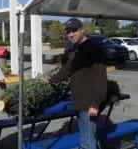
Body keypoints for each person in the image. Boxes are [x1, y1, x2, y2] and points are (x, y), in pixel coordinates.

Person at [40, 17, 107, 149]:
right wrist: (50, 80)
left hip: (89, 105)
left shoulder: (94, 50)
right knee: (86, 138)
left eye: (74, 30)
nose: (71, 34)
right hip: (79, 103)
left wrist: (95, 104)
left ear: (82, 30)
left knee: (87, 141)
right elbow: (68, 69)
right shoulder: (78, 49)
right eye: (68, 31)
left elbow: (101, 80)